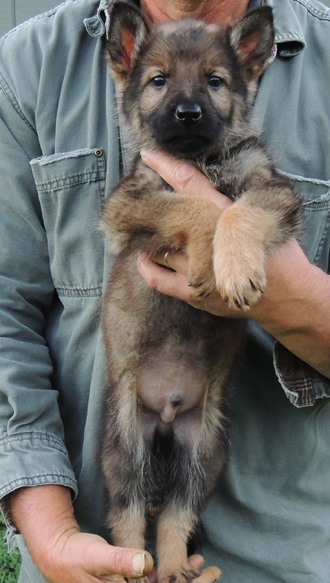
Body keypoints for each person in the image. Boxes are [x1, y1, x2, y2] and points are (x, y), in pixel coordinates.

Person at [0, 0, 330, 581]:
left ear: (251, 65)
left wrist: (297, 304)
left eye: (212, 82)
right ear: (124, 65)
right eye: (160, 82)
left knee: (202, 447)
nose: (185, 102)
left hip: (285, 559)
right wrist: (52, 536)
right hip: (82, 553)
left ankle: (173, 553)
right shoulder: (28, 64)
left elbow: (271, 203)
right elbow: (4, 313)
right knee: (123, 447)